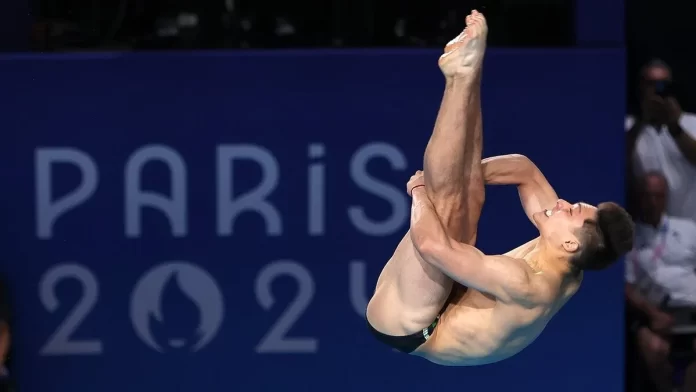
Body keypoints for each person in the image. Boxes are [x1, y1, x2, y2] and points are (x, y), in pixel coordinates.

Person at [366, 10, 635, 366]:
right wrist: (462, 173)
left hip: (413, 325)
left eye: (571, 211)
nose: (564, 203)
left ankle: (459, 78)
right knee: (465, 193)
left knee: (446, 205)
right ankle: (469, 71)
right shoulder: (571, 257)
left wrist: (420, 190)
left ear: (570, 242)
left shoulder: (526, 283)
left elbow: (431, 244)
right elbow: (524, 170)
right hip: (455, 296)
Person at [625, 172, 696, 392]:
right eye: (648, 196)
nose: (653, 202)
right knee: (654, 348)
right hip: (653, 313)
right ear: (640, 198)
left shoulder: (689, 229)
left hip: (691, 309)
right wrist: (652, 314)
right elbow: (627, 285)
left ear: (666, 198)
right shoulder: (630, 236)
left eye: (658, 196)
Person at [626, 59, 696, 221]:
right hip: (645, 232)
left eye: (663, 84)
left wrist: (674, 126)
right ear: (640, 88)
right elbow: (618, 162)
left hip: (689, 226)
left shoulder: (692, 123)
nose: (657, 90)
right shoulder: (628, 127)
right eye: (650, 84)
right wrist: (642, 121)